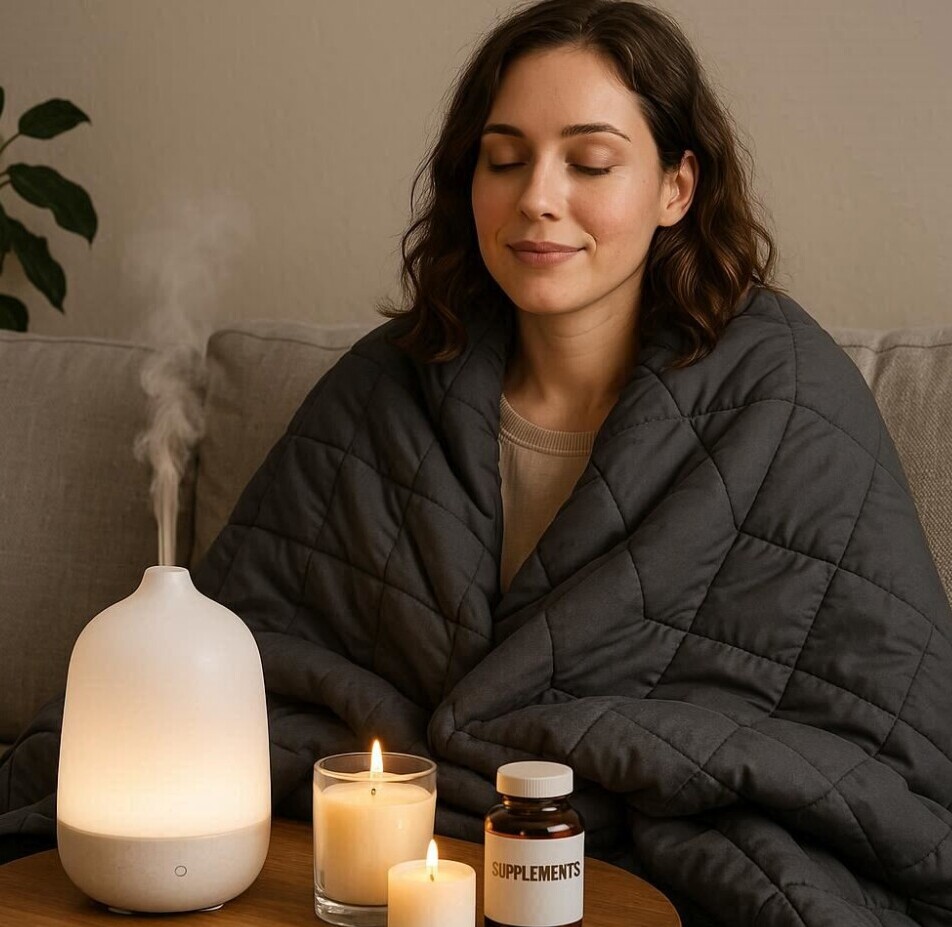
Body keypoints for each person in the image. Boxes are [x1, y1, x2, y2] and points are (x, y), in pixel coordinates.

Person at [2, 3, 951, 925]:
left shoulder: (786, 394)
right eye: (505, 159)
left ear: (677, 186)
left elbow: (877, 719)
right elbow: (235, 657)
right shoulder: (385, 387)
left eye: (590, 162)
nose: (537, 196)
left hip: (651, 841)